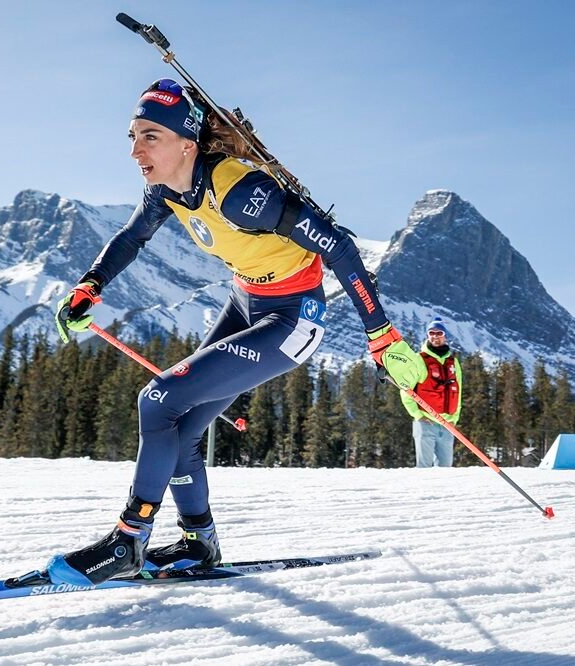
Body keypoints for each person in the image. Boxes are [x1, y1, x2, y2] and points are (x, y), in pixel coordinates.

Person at [46, 78, 426, 586]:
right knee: (177, 428)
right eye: (132, 136)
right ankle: (199, 544)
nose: (136, 149)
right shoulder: (164, 189)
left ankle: (128, 540)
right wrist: (90, 285)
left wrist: (380, 333)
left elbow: (338, 246)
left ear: (187, 142)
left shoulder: (243, 193)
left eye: (150, 136)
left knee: (157, 400)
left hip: (291, 321)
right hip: (245, 302)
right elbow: (132, 236)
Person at [400, 317, 462, 467]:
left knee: (445, 468)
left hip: (447, 423)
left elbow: (458, 391)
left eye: (439, 333)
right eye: (431, 333)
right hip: (426, 421)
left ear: (445, 336)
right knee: (424, 468)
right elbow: (405, 389)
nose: (435, 336)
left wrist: (454, 418)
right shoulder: (419, 360)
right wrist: (418, 415)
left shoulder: (453, 362)